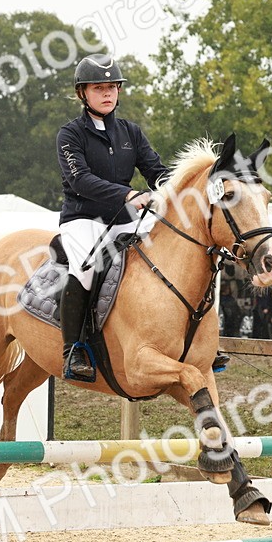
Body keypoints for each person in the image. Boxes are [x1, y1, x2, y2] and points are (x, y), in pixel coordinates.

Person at [56, 54, 168, 382]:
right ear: (83, 93)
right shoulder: (70, 134)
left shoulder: (131, 133)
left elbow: (156, 171)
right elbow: (80, 180)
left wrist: (181, 187)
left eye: (112, 87)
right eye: (98, 87)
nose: (107, 93)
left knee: (174, 246)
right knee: (88, 269)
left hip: (126, 217)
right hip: (83, 217)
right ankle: (73, 349)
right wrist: (126, 194)